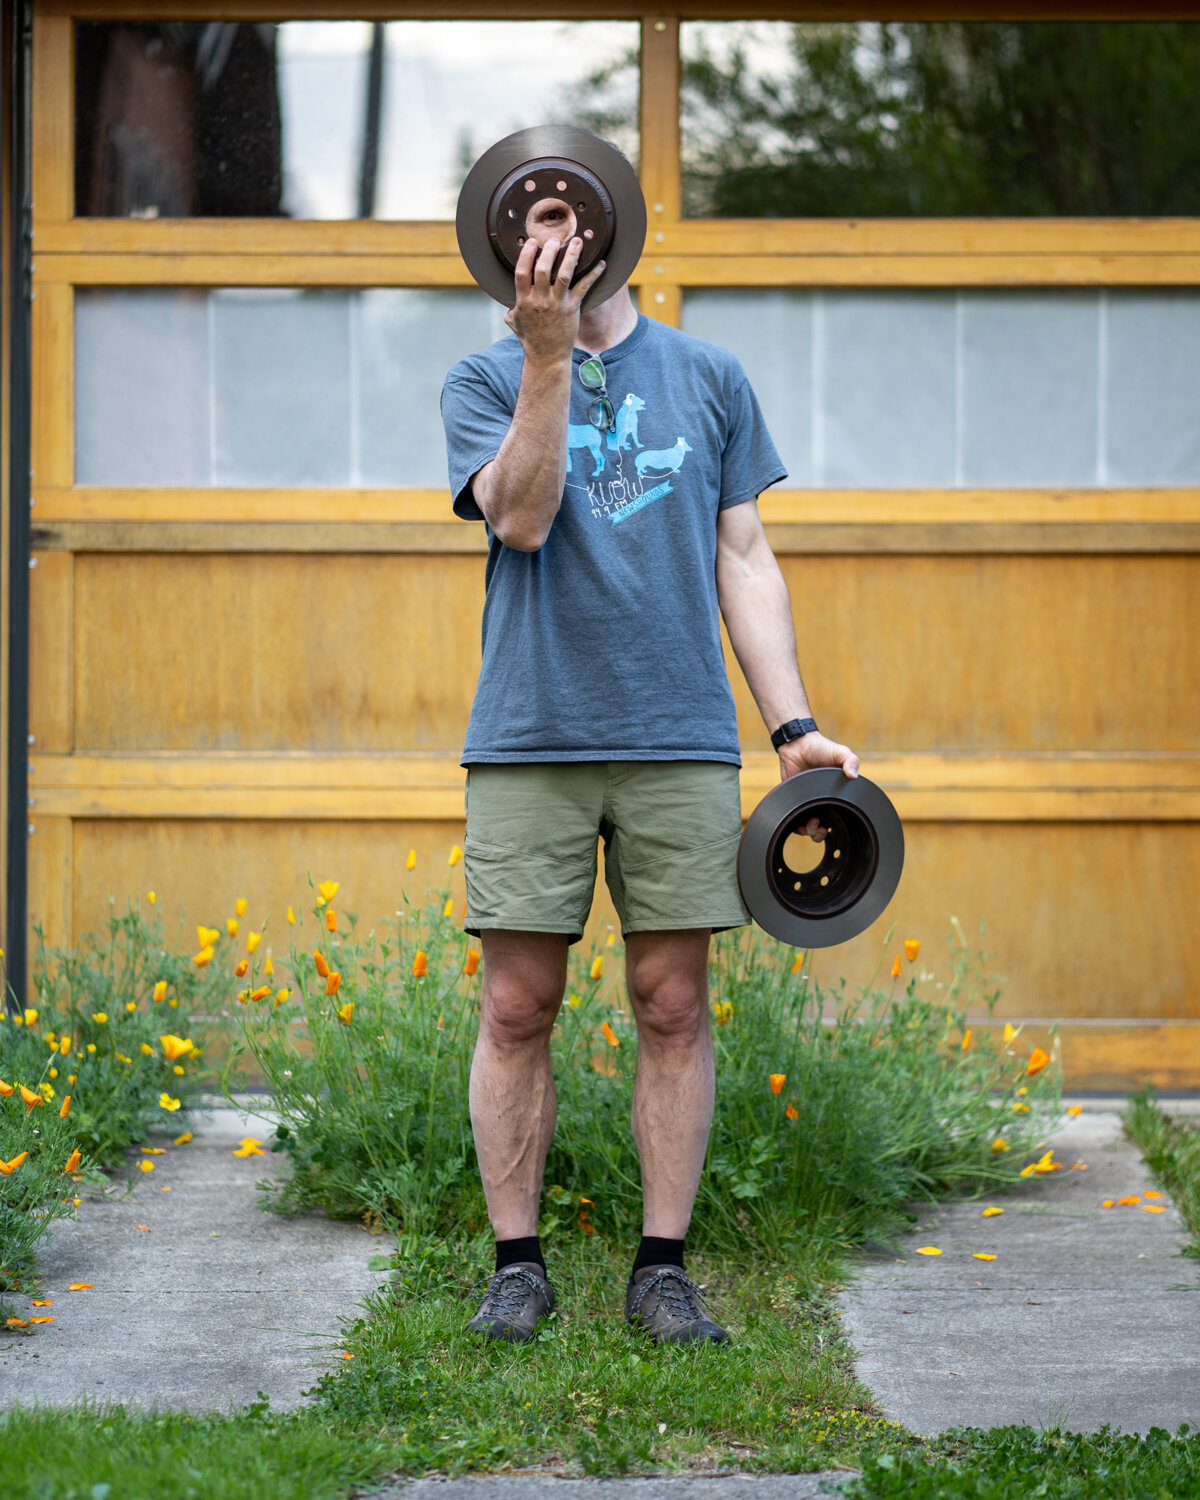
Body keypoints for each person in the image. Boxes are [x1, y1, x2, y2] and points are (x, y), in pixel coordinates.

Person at [440, 145, 859, 1346]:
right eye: (534, 221)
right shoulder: (482, 377)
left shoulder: (709, 375)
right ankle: (517, 1265)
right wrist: (544, 355)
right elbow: (520, 519)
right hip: (530, 735)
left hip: (678, 736)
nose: (554, 237)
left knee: (673, 1002)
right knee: (517, 1005)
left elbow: (744, 558)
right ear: (507, 240)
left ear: (610, 222)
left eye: (571, 213)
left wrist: (791, 726)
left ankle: (661, 1269)